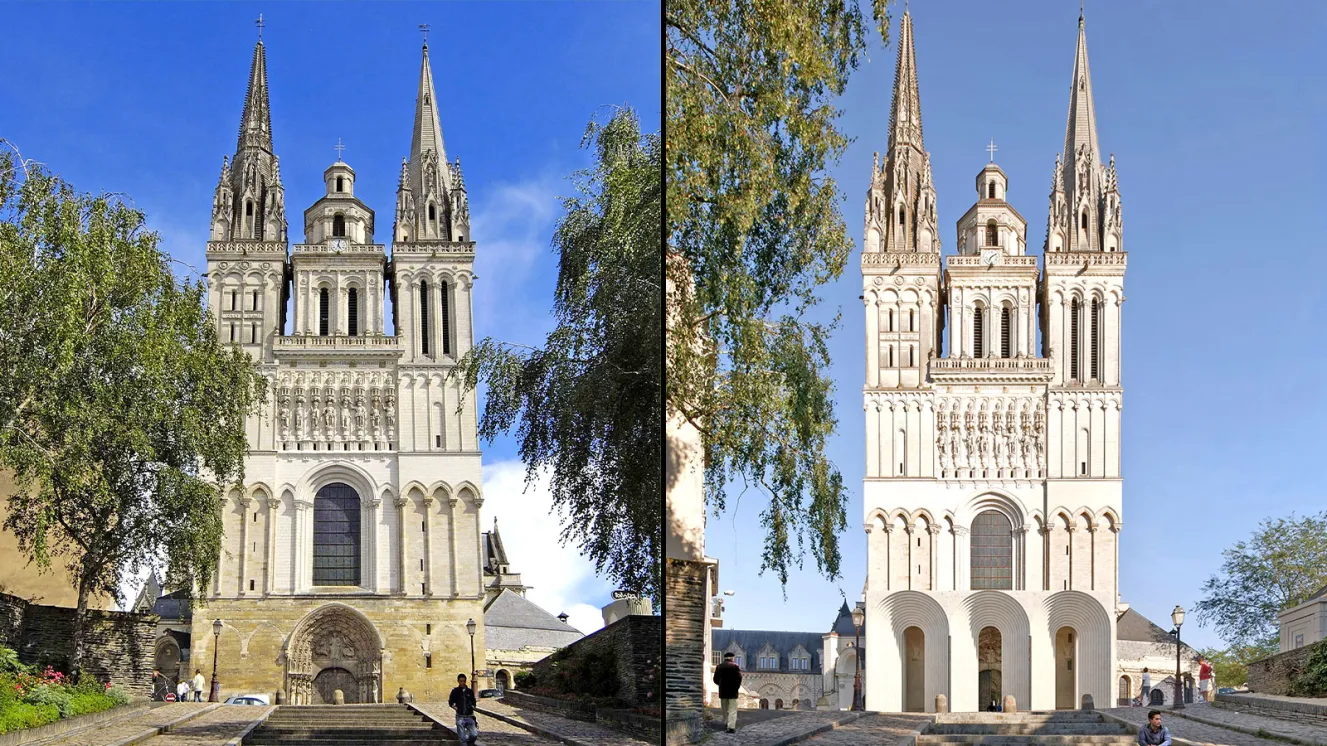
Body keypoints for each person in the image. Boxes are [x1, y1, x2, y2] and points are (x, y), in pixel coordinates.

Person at [713, 652, 742, 734]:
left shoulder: (719, 667)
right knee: (732, 709)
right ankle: (731, 727)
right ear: (732, 658)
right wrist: (736, 687)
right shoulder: (735, 666)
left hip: (723, 691)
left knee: (725, 709)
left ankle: (726, 723)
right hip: (733, 691)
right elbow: (739, 678)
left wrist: (721, 685)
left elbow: (715, 679)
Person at [449, 673, 479, 745]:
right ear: (458, 681)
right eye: (461, 681)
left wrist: (472, 706)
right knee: (462, 738)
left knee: (474, 735)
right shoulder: (455, 691)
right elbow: (450, 702)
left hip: (469, 716)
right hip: (460, 717)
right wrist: (455, 708)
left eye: (463, 681)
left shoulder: (470, 691)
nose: (462, 682)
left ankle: (468, 742)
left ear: (465, 681)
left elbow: (473, 702)